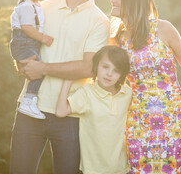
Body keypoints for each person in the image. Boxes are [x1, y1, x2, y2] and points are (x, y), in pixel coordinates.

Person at [10, 0, 110, 174]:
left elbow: (87, 68)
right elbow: (21, 40)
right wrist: (22, 62)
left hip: (70, 116)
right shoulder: (42, 8)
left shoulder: (99, 21)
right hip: (29, 109)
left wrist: (42, 68)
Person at [111, 0, 181, 173]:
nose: (112, 0)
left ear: (133, 0)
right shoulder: (117, 39)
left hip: (172, 114)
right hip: (137, 115)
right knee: (138, 168)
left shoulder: (163, 28)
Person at [55, 45, 132, 174]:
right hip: (92, 169)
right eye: (105, 67)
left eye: (116, 70)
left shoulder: (127, 94)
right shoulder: (87, 93)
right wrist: (67, 81)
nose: (109, 74)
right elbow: (61, 111)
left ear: (122, 74)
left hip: (121, 169)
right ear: (96, 66)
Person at [10, 0, 54, 120]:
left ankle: (23, 67)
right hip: (24, 42)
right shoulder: (26, 7)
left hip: (28, 44)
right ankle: (29, 100)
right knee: (38, 69)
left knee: (33, 66)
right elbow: (27, 28)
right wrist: (43, 38)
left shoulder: (36, 5)